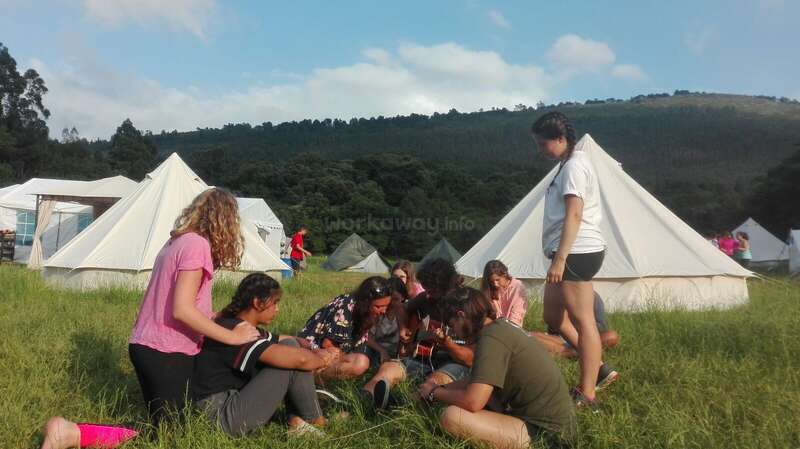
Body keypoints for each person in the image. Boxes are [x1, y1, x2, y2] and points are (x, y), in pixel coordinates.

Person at [40, 188, 261, 449]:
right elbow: (182, 309)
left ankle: (72, 434)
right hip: (167, 351)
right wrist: (231, 336)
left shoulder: (176, 242)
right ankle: (71, 433)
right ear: (224, 220)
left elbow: (174, 303)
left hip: (147, 346)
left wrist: (216, 316)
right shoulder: (197, 245)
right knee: (170, 436)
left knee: (166, 428)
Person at [418, 287, 576, 449]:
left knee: (452, 417)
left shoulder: (491, 339)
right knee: (479, 398)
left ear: (461, 315)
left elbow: (473, 401)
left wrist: (434, 393)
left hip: (547, 435)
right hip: (554, 424)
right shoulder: (499, 328)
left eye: (453, 325)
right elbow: (478, 379)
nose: (455, 333)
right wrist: (441, 388)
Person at [193, 273, 340, 437]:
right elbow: (301, 360)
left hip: (227, 405)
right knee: (290, 360)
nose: (277, 309)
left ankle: (302, 420)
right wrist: (323, 357)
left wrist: (311, 347)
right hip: (220, 417)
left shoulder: (240, 325)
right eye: (275, 303)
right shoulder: (236, 332)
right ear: (257, 303)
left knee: (291, 346)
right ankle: (313, 419)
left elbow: (286, 339)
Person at [532, 112, 608, 408]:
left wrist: (560, 259)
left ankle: (587, 393)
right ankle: (597, 364)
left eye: (543, 143)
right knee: (553, 318)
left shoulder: (575, 166)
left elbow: (574, 214)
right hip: (568, 252)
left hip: (577, 251)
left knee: (584, 320)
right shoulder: (567, 164)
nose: (540, 149)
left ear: (561, 139)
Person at [361, 258, 471, 409]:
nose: (428, 294)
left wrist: (449, 344)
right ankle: (364, 400)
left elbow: (471, 359)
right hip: (423, 357)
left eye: (432, 290)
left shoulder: (468, 301)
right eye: (426, 289)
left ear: (445, 285)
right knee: (387, 369)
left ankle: (397, 407)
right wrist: (403, 328)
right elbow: (401, 308)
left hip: (453, 362)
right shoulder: (425, 298)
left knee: (433, 381)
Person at [298, 276, 392, 381]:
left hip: (336, 352)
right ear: (366, 302)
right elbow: (328, 345)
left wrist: (381, 350)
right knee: (361, 363)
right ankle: (314, 376)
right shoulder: (347, 307)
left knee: (371, 360)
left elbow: (362, 338)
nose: (383, 311)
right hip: (315, 352)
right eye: (378, 307)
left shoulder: (365, 311)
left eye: (386, 306)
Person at [363, 276, 408, 368]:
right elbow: (367, 337)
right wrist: (381, 350)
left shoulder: (404, 312)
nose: (392, 303)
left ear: (403, 298)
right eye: (390, 300)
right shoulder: (379, 312)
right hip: (376, 349)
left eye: (396, 299)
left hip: (395, 353)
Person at [481, 260, 529, 327]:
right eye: (492, 281)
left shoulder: (518, 287)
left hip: (511, 328)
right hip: (494, 328)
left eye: (497, 280)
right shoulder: (491, 289)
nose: (495, 284)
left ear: (504, 274)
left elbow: (516, 316)